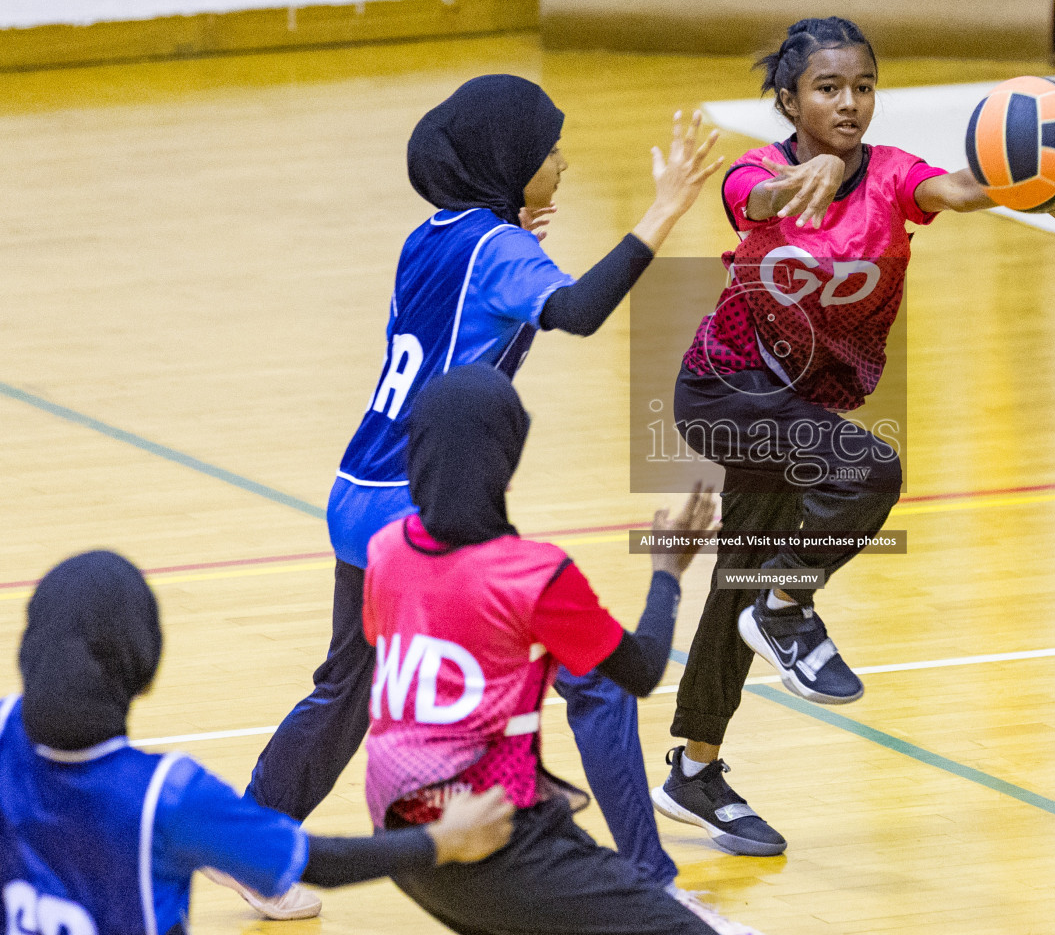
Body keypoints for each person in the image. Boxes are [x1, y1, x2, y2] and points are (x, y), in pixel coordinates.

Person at [236, 74, 724, 919]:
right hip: (420, 503)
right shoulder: (502, 253)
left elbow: (481, 318)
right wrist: (663, 212)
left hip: (361, 484)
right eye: (547, 151)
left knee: (345, 689)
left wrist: (515, 239)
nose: (562, 162)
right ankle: (652, 879)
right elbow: (573, 311)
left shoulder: (434, 236)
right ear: (508, 164)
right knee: (597, 680)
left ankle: (257, 846)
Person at [653, 16, 1055, 856]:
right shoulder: (760, 173)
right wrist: (812, 179)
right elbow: (752, 202)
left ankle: (695, 769)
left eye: (863, 86)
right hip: (725, 391)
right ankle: (788, 604)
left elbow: (958, 191)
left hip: (794, 413)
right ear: (790, 100)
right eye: (828, 88)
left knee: (737, 584)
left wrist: (1038, 182)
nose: (850, 102)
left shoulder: (895, 175)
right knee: (869, 472)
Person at [363, 364, 750, 935]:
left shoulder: (385, 549)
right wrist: (668, 571)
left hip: (404, 839)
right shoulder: (531, 575)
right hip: (491, 837)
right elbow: (639, 671)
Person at [0, 549, 515, 935]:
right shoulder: (168, 796)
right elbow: (322, 863)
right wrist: (443, 841)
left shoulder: (5, 732)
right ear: (144, 665)